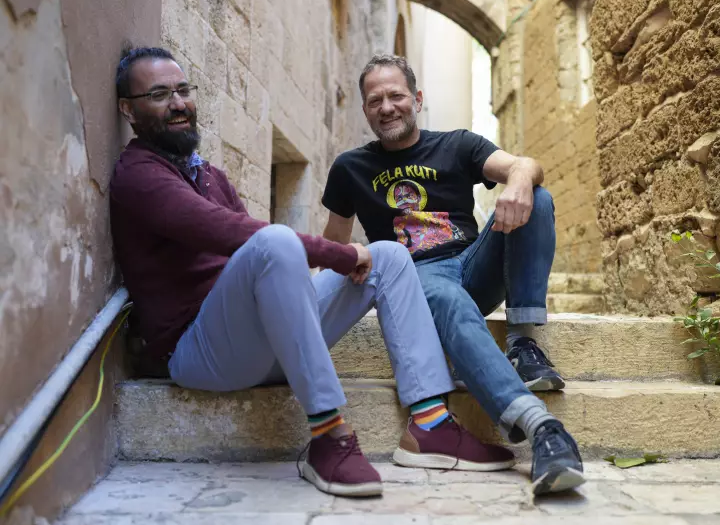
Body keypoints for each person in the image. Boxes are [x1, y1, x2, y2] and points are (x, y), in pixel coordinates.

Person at [109, 47, 516, 499]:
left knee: (389, 255)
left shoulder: (209, 175)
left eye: (183, 90)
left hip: (263, 346)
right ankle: (329, 436)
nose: (178, 103)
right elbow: (228, 233)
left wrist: (342, 262)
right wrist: (339, 255)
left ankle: (431, 426)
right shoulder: (138, 175)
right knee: (273, 241)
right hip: (200, 353)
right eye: (159, 94)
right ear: (128, 109)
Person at [321, 54, 585, 495]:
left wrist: (519, 182)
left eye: (396, 96)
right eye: (375, 100)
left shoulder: (458, 144)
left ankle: (522, 342)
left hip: (473, 265)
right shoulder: (351, 168)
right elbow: (332, 248)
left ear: (417, 99)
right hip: (417, 278)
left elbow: (524, 165)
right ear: (365, 109)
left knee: (536, 197)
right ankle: (542, 428)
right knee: (445, 297)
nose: (387, 107)